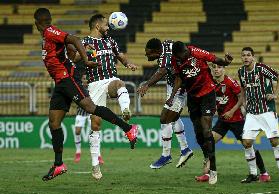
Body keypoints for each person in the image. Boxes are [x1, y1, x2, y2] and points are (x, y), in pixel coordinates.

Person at [34, 8, 138, 181]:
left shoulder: (50, 31)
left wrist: (86, 58)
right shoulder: (47, 37)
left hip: (68, 78)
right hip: (60, 83)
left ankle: (128, 129)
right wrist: (74, 52)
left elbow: (73, 39)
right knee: (54, 122)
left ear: (37, 22)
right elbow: (68, 46)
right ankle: (58, 164)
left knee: (90, 108)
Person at [68, 14, 139, 180]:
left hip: (110, 79)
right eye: (106, 25)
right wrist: (80, 53)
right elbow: (76, 58)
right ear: (97, 26)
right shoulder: (85, 42)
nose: (109, 28)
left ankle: (126, 110)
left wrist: (127, 63)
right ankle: (95, 165)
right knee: (95, 123)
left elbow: (119, 55)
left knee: (120, 84)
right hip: (94, 84)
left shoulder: (110, 41)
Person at [168, 41, 233, 184]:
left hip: (207, 93)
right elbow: (178, 78)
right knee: (198, 134)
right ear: (177, 55)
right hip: (192, 96)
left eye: (186, 51)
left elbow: (215, 59)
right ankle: (207, 157)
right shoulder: (175, 60)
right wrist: (172, 97)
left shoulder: (195, 51)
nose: (187, 53)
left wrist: (226, 62)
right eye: (183, 53)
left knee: (206, 130)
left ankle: (213, 170)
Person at [195, 64, 269, 183]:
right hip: (222, 120)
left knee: (247, 144)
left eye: (219, 67)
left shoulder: (230, 82)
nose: (216, 69)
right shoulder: (211, 83)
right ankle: (208, 173)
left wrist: (232, 111)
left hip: (236, 120)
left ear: (224, 69)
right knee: (209, 143)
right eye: (214, 68)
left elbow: (241, 97)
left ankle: (264, 172)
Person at [137, 38, 193, 169]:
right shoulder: (167, 44)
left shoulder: (165, 56)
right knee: (173, 118)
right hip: (172, 85)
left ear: (156, 51)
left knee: (164, 119)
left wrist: (147, 84)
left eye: (149, 53)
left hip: (180, 87)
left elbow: (161, 71)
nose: (147, 56)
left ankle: (166, 155)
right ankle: (185, 149)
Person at [237, 47, 279, 184]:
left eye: (248, 55)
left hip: (267, 111)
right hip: (252, 113)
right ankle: (253, 174)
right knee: (246, 142)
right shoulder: (241, 71)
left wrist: (276, 94)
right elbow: (243, 89)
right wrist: (244, 103)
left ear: (253, 57)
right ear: (241, 58)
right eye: (243, 55)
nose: (246, 57)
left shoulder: (262, 68)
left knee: (274, 141)